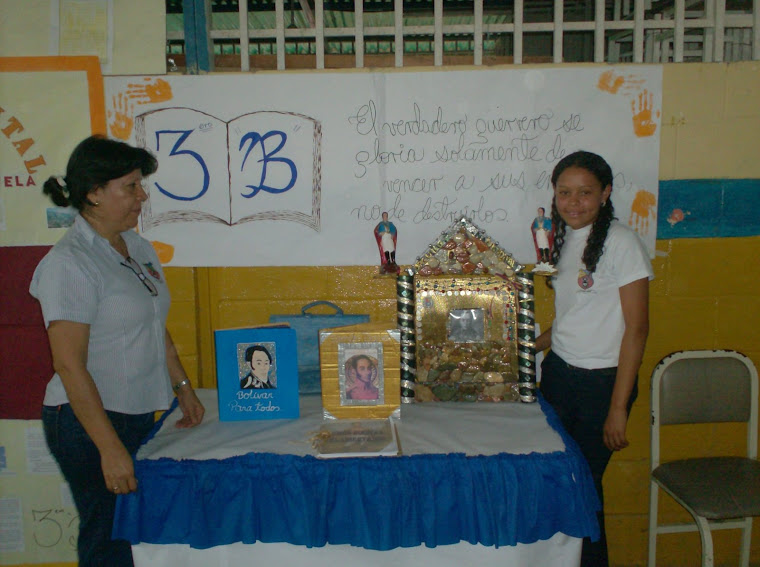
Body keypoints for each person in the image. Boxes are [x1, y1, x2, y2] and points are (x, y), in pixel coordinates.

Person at [29, 135, 205, 567]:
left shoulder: (137, 247)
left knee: (136, 531)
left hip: (141, 412)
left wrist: (182, 386)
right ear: (93, 193)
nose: (142, 196)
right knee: (109, 536)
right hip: (89, 422)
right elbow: (69, 366)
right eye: (130, 186)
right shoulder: (70, 263)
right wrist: (108, 447)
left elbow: (152, 324)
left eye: (139, 185)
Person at [534, 151, 652, 567]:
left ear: (605, 193)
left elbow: (637, 329)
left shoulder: (622, 242)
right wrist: (527, 346)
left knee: (582, 486)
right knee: (555, 481)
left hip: (603, 385)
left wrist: (618, 409)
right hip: (559, 377)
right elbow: (571, 318)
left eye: (585, 193)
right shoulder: (560, 240)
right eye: (564, 192)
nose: (574, 202)